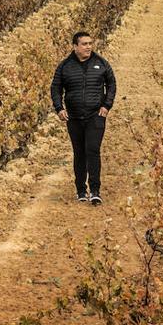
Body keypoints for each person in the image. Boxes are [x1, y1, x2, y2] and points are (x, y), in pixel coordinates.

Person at [50, 31, 116, 205]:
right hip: (74, 117)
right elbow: (55, 88)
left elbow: (111, 84)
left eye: (90, 43)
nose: (88, 47)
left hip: (96, 115)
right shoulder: (65, 66)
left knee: (92, 150)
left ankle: (95, 190)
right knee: (79, 153)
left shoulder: (101, 63)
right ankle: (80, 189)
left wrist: (106, 105)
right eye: (84, 44)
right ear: (75, 46)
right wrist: (59, 108)